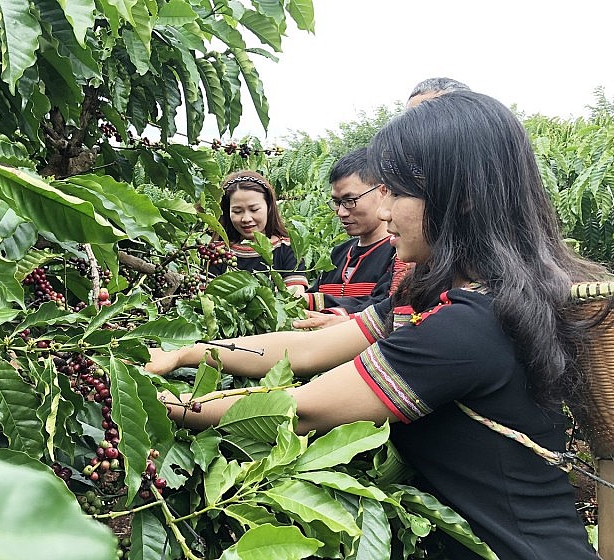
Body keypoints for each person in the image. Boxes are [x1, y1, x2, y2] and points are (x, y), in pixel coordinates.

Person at [147, 91, 608, 559]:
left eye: (399, 191)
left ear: (463, 196)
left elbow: (300, 410)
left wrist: (160, 403)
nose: (384, 211)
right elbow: (306, 349)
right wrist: (188, 352)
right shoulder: (436, 297)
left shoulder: (468, 327)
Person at [301, 147, 407, 316]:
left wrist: (318, 302)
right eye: (336, 202)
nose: (341, 212)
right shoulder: (338, 254)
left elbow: (384, 307)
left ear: (383, 191)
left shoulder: (400, 254)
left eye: (350, 200)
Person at [208, 170, 308, 294]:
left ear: (269, 207)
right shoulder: (218, 253)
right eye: (237, 211)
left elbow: (295, 295)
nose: (246, 219)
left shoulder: (289, 249)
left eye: (254, 209)